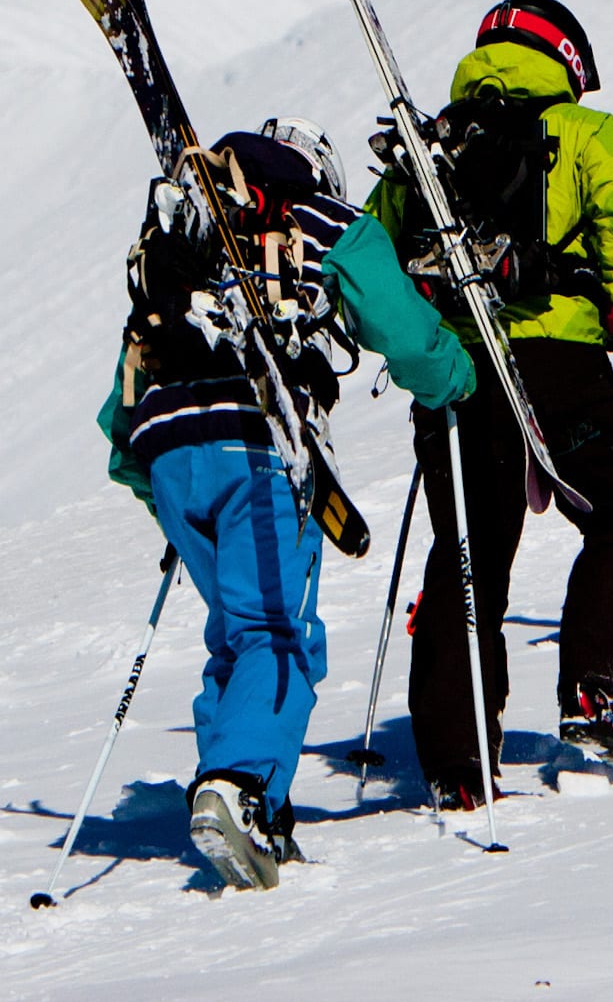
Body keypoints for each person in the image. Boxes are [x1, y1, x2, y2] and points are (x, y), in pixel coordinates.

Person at [97, 118, 473, 891]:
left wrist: (160, 485)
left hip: (167, 448)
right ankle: (239, 786)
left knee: (237, 636)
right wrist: (452, 376)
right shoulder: (317, 218)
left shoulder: (191, 238)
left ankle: (243, 799)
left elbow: (120, 409)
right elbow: (401, 329)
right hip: (260, 436)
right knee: (279, 634)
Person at [372, 0, 613, 803]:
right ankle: (599, 689)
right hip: (558, 362)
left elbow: (374, 259)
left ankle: (455, 758)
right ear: (568, 58)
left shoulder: (427, 148)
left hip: (458, 368)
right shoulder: (584, 134)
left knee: (468, 556)